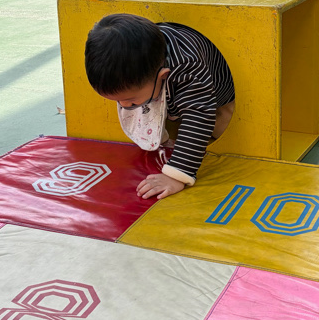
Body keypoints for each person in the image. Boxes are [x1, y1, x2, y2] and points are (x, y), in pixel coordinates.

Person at [85, 14, 234, 199]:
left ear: (163, 75)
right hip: (167, 90)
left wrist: (176, 175)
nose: (124, 106)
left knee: (224, 135)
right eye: (117, 101)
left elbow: (199, 115)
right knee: (146, 101)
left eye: (130, 100)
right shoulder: (138, 63)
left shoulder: (187, 66)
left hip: (219, 96)